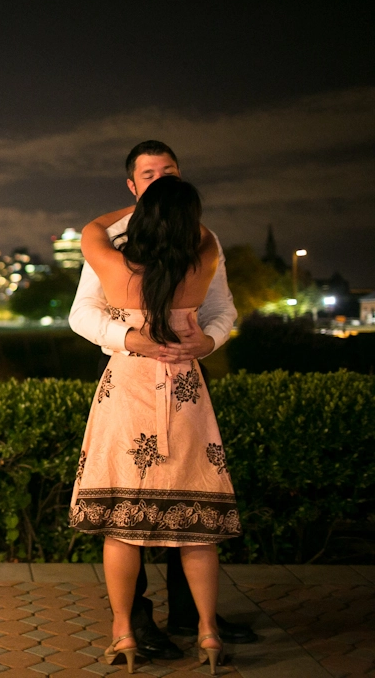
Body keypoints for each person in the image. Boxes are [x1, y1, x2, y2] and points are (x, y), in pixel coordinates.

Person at [69, 141, 257, 662]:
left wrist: (210, 338)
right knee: (198, 520)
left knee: (121, 525)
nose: (158, 179)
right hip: (184, 391)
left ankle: (125, 632)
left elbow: (89, 233)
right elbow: (80, 316)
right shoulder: (203, 251)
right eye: (148, 174)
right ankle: (206, 633)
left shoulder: (111, 253)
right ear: (133, 183)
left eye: (166, 173)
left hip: (128, 389)